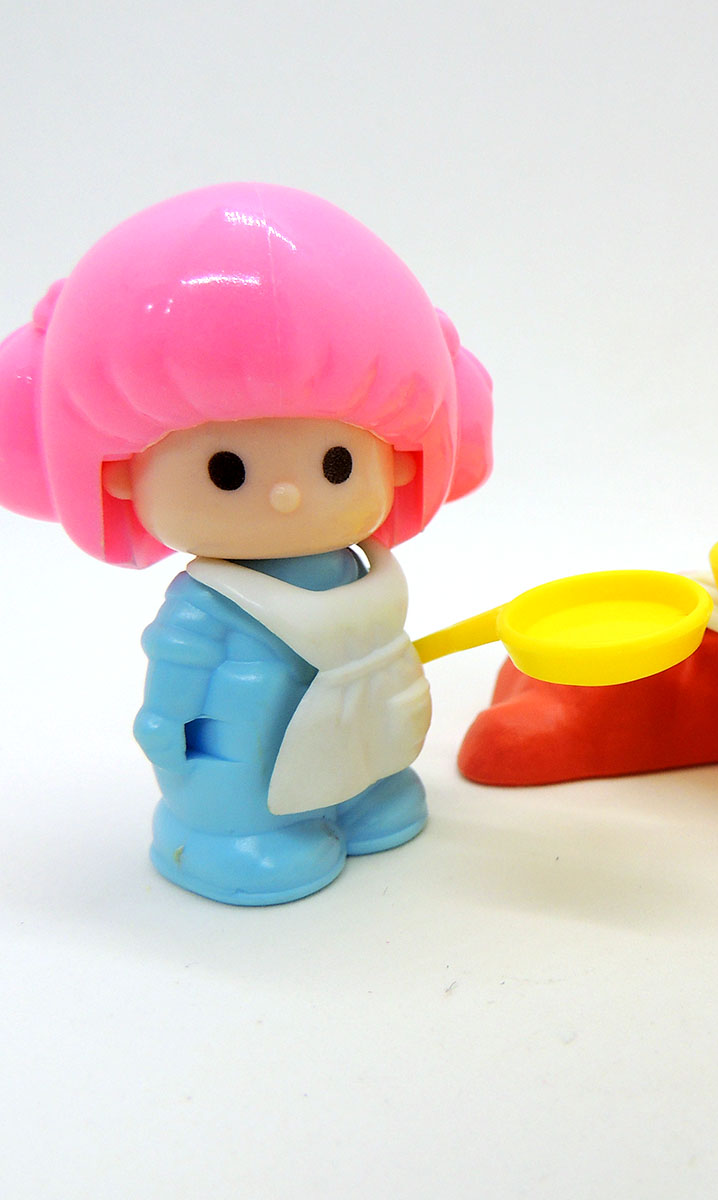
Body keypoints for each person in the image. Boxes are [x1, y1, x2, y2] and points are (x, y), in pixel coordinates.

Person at [0, 183, 493, 904]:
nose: (287, 495)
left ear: (398, 458)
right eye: (226, 470)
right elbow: (180, 667)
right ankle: (225, 833)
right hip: (233, 753)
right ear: (121, 473)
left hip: (360, 735)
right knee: (240, 777)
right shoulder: (210, 605)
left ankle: (363, 796)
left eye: (337, 464)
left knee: (371, 757)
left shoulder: (358, 570)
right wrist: (169, 724)